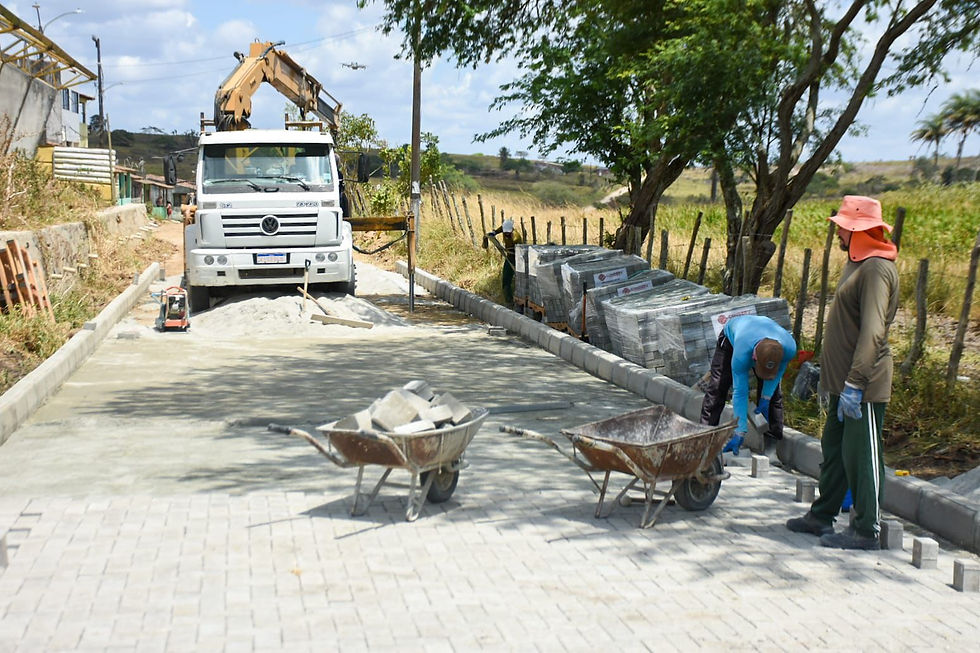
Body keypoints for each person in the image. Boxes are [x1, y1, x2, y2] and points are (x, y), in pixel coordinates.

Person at [786, 195, 899, 551]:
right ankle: (822, 515)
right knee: (833, 450)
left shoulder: (877, 269)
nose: (837, 232)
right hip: (841, 381)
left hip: (863, 384)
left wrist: (855, 382)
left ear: (859, 230)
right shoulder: (857, 264)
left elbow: (873, 331)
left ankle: (866, 529)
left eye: (843, 227)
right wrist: (835, 381)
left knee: (861, 455)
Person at [700, 315, 797, 455]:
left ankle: (771, 447)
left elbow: (778, 374)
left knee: (774, 396)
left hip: (762, 338)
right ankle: (704, 441)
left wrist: (766, 398)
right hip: (731, 340)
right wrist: (740, 430)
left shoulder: (789, 348)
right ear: (754, 358)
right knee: (718, 388)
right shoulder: (742, 352)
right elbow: (740, 392)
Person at [484, 219, 523, 305]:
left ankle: (513, 300)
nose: (506, 234)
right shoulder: (504, 229)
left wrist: (510, 251)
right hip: (509, 256)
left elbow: (520, 250)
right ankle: (508, 299)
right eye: (505, 233)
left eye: (507, 233)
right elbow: (501, 229)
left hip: (516, 257)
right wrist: (494, 233)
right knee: (505, 278)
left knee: (516, 277)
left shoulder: (515, 237)